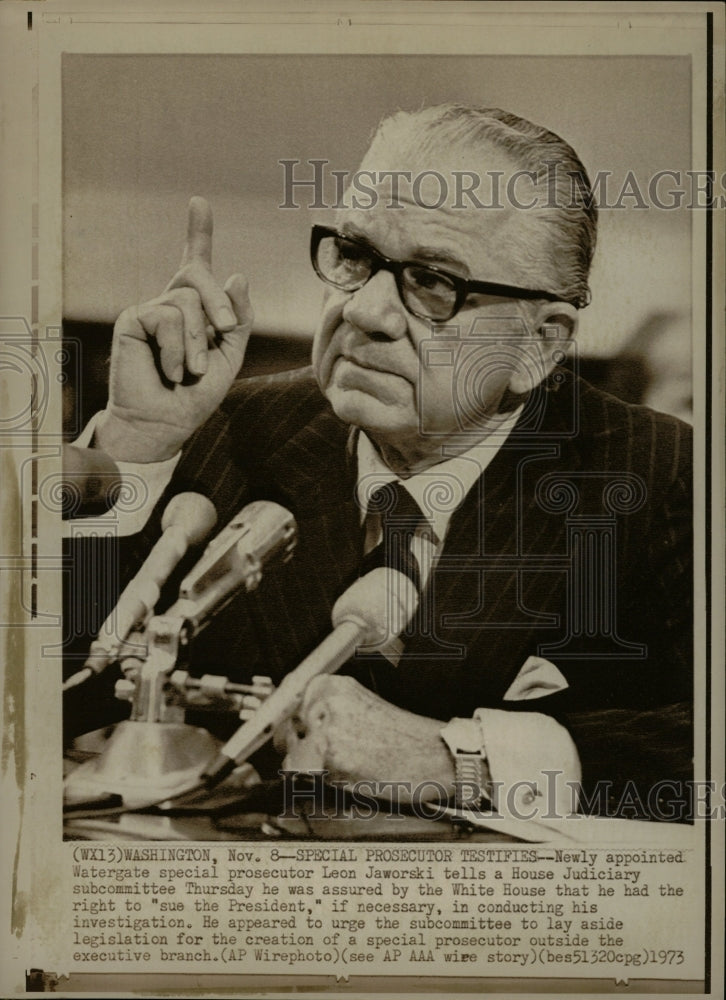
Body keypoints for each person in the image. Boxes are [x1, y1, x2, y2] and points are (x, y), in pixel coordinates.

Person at [64, 105, 693, 822]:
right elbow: (47, 697)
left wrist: (458, 760)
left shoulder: (664, 477)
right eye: (356, 257)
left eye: (432, 283)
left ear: (539, 345)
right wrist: (136, 449)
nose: (364, 311)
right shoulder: (231, 428)